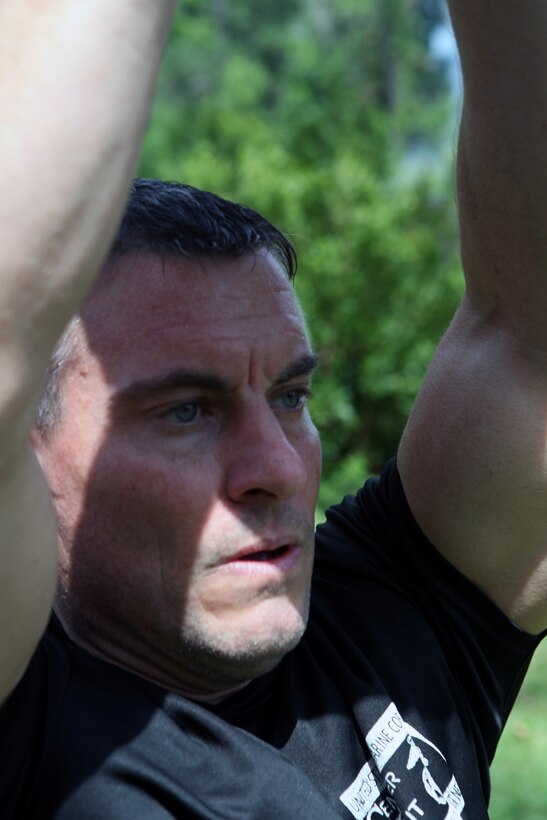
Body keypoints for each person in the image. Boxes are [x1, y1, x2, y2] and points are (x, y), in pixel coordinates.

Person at [1, 1, 546, 817]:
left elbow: (531, 330)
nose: (279, 467)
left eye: (290, 396)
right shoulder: (30, 733)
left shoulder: (391, 620)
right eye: (186, 411)